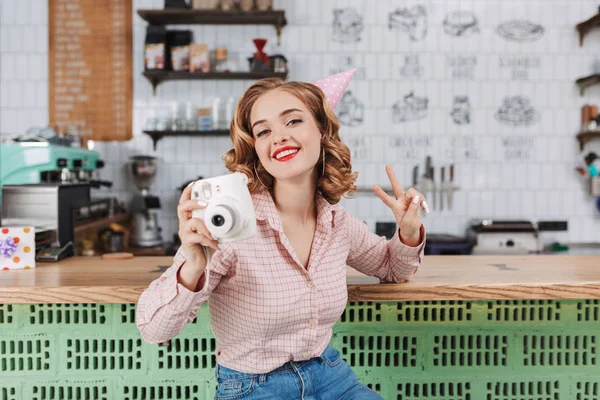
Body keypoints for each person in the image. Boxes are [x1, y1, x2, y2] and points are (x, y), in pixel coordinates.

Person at [136, 69, 428, 400]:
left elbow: (393, 268)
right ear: (256, 148)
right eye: (263, 131)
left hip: (331, 377)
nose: (279, 137)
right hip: (253, 388)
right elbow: (153, 329)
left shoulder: (337, 222)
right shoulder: (230, 226)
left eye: (292, 122)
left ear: (321, 131)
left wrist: (408, 230)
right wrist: (192, 265)